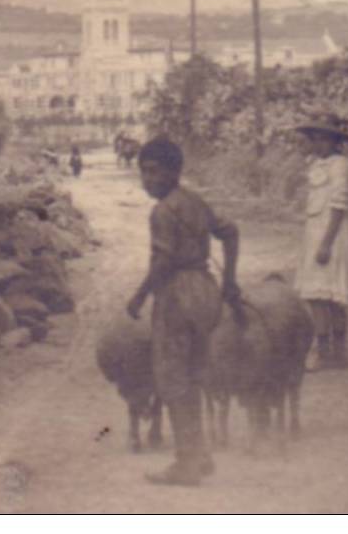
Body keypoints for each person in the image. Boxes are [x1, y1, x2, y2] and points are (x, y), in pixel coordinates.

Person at [126, 137, 240, 486]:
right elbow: (231, 231)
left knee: (173, 379)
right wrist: (230, 282)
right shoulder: (194, 201)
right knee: (193, 373)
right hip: (204, 291)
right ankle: (200, 454)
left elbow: (162, 261)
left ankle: (186, 463)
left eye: (154, 171)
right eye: (143, 171)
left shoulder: (161, 211)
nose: (148, 179)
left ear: (174, 172)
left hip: (176, 295)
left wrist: (139, 296)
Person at [293, 116, 348, 372]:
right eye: (315, 138)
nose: (318, 143)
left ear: (335, 141)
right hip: (315, 231)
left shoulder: (340, 166)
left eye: (324, 138)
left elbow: (338, 205)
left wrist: (326, 243)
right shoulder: (316, 165)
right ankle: (326, 351)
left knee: (329, 295)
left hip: (331, 233)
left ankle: (333, 353)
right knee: (318, 295)